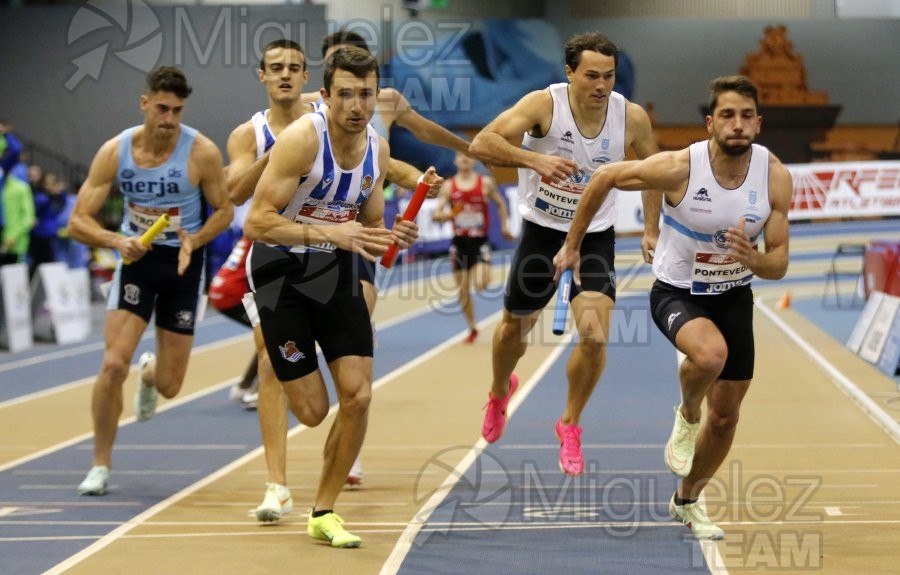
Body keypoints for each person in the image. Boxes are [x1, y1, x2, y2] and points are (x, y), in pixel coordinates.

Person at [554, 75, 791, 539]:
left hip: (734, 296)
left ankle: (688, 501)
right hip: (676, 292)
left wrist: (754, 259)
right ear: (710, 123)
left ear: (758, 124)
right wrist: (574, 244)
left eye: (746, 115)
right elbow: (604, 176)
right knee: (709, 356)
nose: (737, 124)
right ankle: (686, 414)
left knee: (725, 419)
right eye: (727, 114)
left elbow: (779, 263)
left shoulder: (774, 175)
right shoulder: (681, 167)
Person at [243, 46, 419, 548]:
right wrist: (327, 232)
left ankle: (324, 509)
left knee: (359, 395)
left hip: (336, 269)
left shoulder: (377, 151)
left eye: (366, 94)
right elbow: (256, 221)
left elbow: (370, 223)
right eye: (345, 94)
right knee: (314, 411)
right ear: (325, 96)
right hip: (280, 273)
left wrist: (392, 235)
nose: (356, 105)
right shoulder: (302, 140)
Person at [467, 32, 658, 475]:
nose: (601, 85)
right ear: (569, 72)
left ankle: (570, 422)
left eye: (609, 76)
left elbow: (652, 173)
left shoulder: (630, 117)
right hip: (542, 231)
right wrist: (536, 161)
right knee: (514, 332)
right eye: (591, 75)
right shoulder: (543, 106)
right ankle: (499, 391)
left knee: (593, 335)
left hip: (594, 234)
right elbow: (482, 144)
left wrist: (651, 230)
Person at [69, 66, 232, 495]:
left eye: (177, 110)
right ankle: (100, 464)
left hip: (182, 264)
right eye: (162, 108)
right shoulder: (115, 152)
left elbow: (225, 210)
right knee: (112, 364)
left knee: (171, 386)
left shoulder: (202, 152)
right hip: (136, 260)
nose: (170, 119)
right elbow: (77, 221)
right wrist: (115, 241)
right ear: (145, 104)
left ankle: (150, 376)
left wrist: (194, 238)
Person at [432, 151, 513, 343]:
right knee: (462, 291)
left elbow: (501, 204)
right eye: (461, 155)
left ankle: (485, 270)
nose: (465, 159)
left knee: (481, 283)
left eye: (468, 156)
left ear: (474, 160)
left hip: (479, 241)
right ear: (455, 160)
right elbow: (436, 214)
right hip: (459, 243)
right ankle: (473, 327)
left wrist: (504, 227)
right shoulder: (449, 186)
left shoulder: (485, 183)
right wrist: (449, 215)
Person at [0, 170, 34, 266]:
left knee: (14, 277)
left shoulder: (21, 188)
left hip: (15, 245)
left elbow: (28, 218)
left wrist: (13, 236)